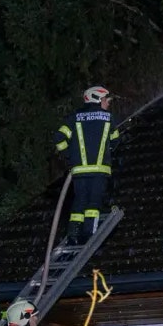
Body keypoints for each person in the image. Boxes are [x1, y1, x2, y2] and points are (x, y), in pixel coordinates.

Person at [54, 86, 120, 245]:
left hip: (79, 171)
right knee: (94, 203)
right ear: (97, 99)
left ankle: (73, 235)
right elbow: (115, 141)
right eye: (106, 100)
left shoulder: (74, 118)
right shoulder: (108, 118)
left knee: (80, 202)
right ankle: (89, 234)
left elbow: (59, 139)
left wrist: (69, 156)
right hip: (99, 170)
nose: (108, 103)